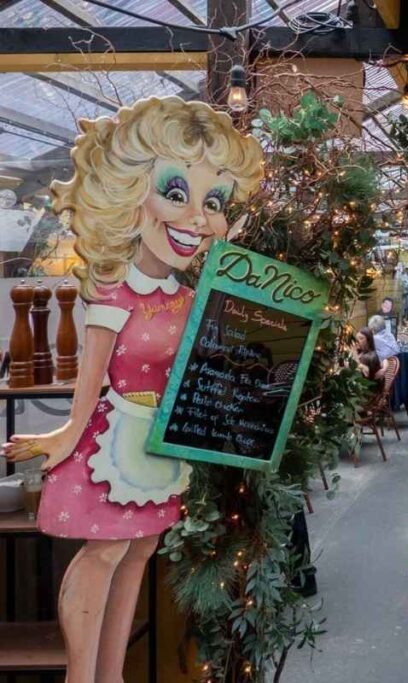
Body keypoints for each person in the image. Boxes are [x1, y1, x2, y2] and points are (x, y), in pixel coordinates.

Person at [1, 97, 263, 683]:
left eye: (213, 203)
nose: (197, 217)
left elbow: (212, 369)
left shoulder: (191, 299)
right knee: (104, 553)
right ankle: (81, 675)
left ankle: (111, 674)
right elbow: (88, 389)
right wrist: (63, 437)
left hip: (159, 448)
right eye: (177, 193)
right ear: (126, 194)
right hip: (107, 448)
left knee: (140, 551)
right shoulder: (113, 297)